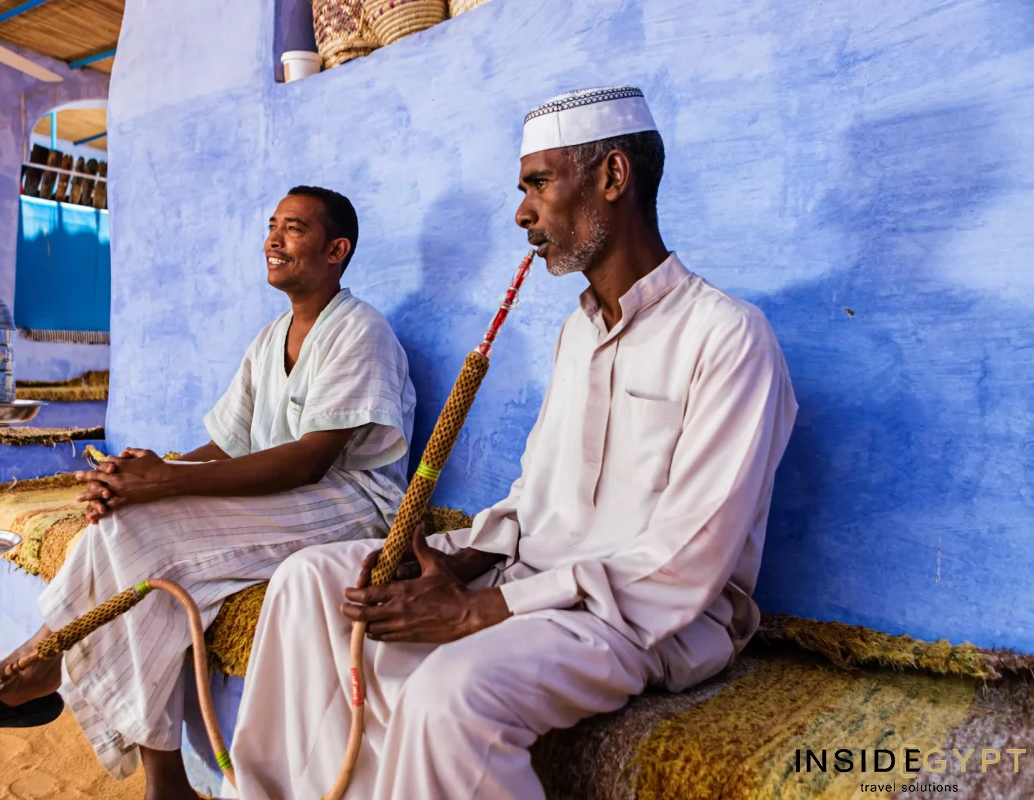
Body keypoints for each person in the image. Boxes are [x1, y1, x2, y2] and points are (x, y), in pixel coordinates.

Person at [228, 87, 798, 800]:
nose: (523, 212)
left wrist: (478, 611)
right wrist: (455, 560)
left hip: (637, 615)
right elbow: (538, 493)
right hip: (531, 580)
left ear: (612, 178)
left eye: (539, 183)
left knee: (450, 695)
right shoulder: (577, 333)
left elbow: (687, 561)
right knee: (312, 580)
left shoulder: (729, 337)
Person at [0, 186, 417, 800]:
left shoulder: (360, 331)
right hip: (293, 495)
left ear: (337, 250)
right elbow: (229, 445)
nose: (274, 239)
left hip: (350, 504)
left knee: (147, 534)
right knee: (123, 527)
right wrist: (150, 472)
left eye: (294, 228)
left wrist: (166, 482)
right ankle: (156, 772)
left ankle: (39, 665)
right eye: (272, 225)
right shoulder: (270, 339)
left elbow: (311, 462)